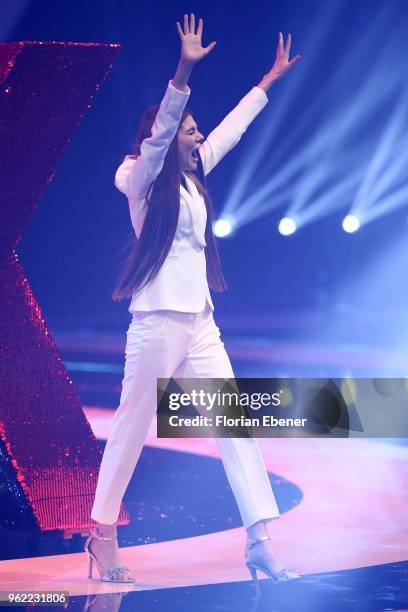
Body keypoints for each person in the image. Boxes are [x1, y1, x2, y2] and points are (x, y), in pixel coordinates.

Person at [84, 13, 301, 587]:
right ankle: (101, 535)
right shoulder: (141, 177)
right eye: (189, 129)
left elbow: (229, 130)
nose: (198, 136)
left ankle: (260, 541)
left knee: (234, 427)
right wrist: (183, 69)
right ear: (167, 133)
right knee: (132, 428)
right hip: (155, 321)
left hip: (200, 321)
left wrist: (266, 83)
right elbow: (160, 138)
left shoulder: (193, 177)